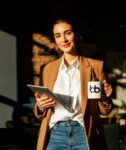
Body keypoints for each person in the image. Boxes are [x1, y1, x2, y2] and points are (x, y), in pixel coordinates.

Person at [33, 16, 113, 150]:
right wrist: (41, 106)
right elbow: (41, 111)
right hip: (55, 135)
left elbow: (103, 110)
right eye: (58, 36)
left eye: (68, 33)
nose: (63, 39)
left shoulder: (95, 67)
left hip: (84, 134)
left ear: (77, 35)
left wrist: (105, 99)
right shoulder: (47, 69)